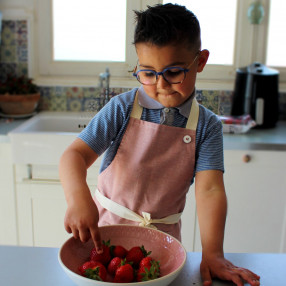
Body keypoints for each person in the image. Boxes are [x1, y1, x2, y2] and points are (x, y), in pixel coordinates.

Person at [59, 3, 260, 286]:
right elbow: (74, 155)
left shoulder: (207, 126)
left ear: (200, 61)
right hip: (105, 238)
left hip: (161, 247)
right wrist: (78, 199)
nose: (161, 84)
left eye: (174, 72)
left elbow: (210, 190)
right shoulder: (122, 108)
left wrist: (213, 254)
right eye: (148, 73)